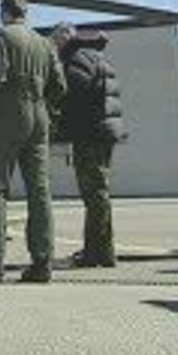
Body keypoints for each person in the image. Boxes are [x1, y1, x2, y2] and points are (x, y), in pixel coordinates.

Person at [0, 0, 66, 284]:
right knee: (39, 191)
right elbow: (59, 85)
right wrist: (44, 107)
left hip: (10, 115)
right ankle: (42, 262)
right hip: (39, 118)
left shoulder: (2, 37)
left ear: (4, 13)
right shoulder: (44, 42)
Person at [50, 23, 125, 268]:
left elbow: (72, 96)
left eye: (57, 37)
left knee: (94, 194)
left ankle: (96, 253)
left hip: (91, 134)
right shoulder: (94, 56)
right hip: (102, 132)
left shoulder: (77, 59)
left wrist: (58, 123)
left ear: (67, 37)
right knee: (99, 193)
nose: (55, 43)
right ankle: (103, 251)